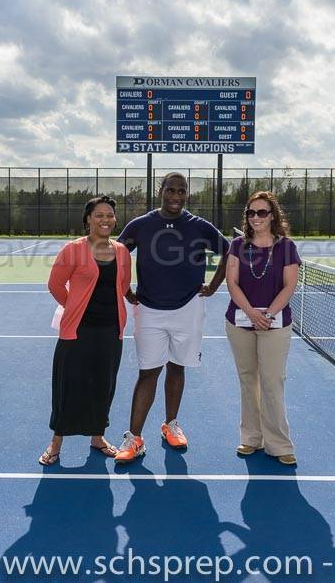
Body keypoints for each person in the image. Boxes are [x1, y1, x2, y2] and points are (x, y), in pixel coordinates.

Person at [113, 172, 230, 464]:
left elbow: (230, 251)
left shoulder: (199, 226)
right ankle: (134, 438)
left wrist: (214, 285)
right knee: (148, 373)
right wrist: (124, 288)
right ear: (160, 190)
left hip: (188, 307)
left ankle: (171, 425)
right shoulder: (140, 225)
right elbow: (116, 255)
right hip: (149, 309)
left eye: (181, 191)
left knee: (177, 367)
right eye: (171, 190)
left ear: (186, 194)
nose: (176, 196)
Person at [40, 196, 132, 465]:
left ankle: (97, 436)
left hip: (111, 330)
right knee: (68, 386)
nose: (105, 219)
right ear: (88, 219)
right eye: (99, 214)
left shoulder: (123, 252)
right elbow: (55, 284)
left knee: (104, 385)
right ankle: (56, 443)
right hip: (77, 331)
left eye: (110, 215)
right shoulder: (73, 250)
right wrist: (74, 307)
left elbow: (123, 285)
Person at [224, 191, 300, 466]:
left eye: (262, 212)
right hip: (240, 322)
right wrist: (250, 313)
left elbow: (290, 284)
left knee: (272, 382)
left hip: (275, 324)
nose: (256, 217)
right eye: (251, 213)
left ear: (273, 216)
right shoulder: (236, 246)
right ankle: (251, 438)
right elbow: (232, 282)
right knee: (248, 381)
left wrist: (267, 314)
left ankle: (279, 444)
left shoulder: (287, 247)